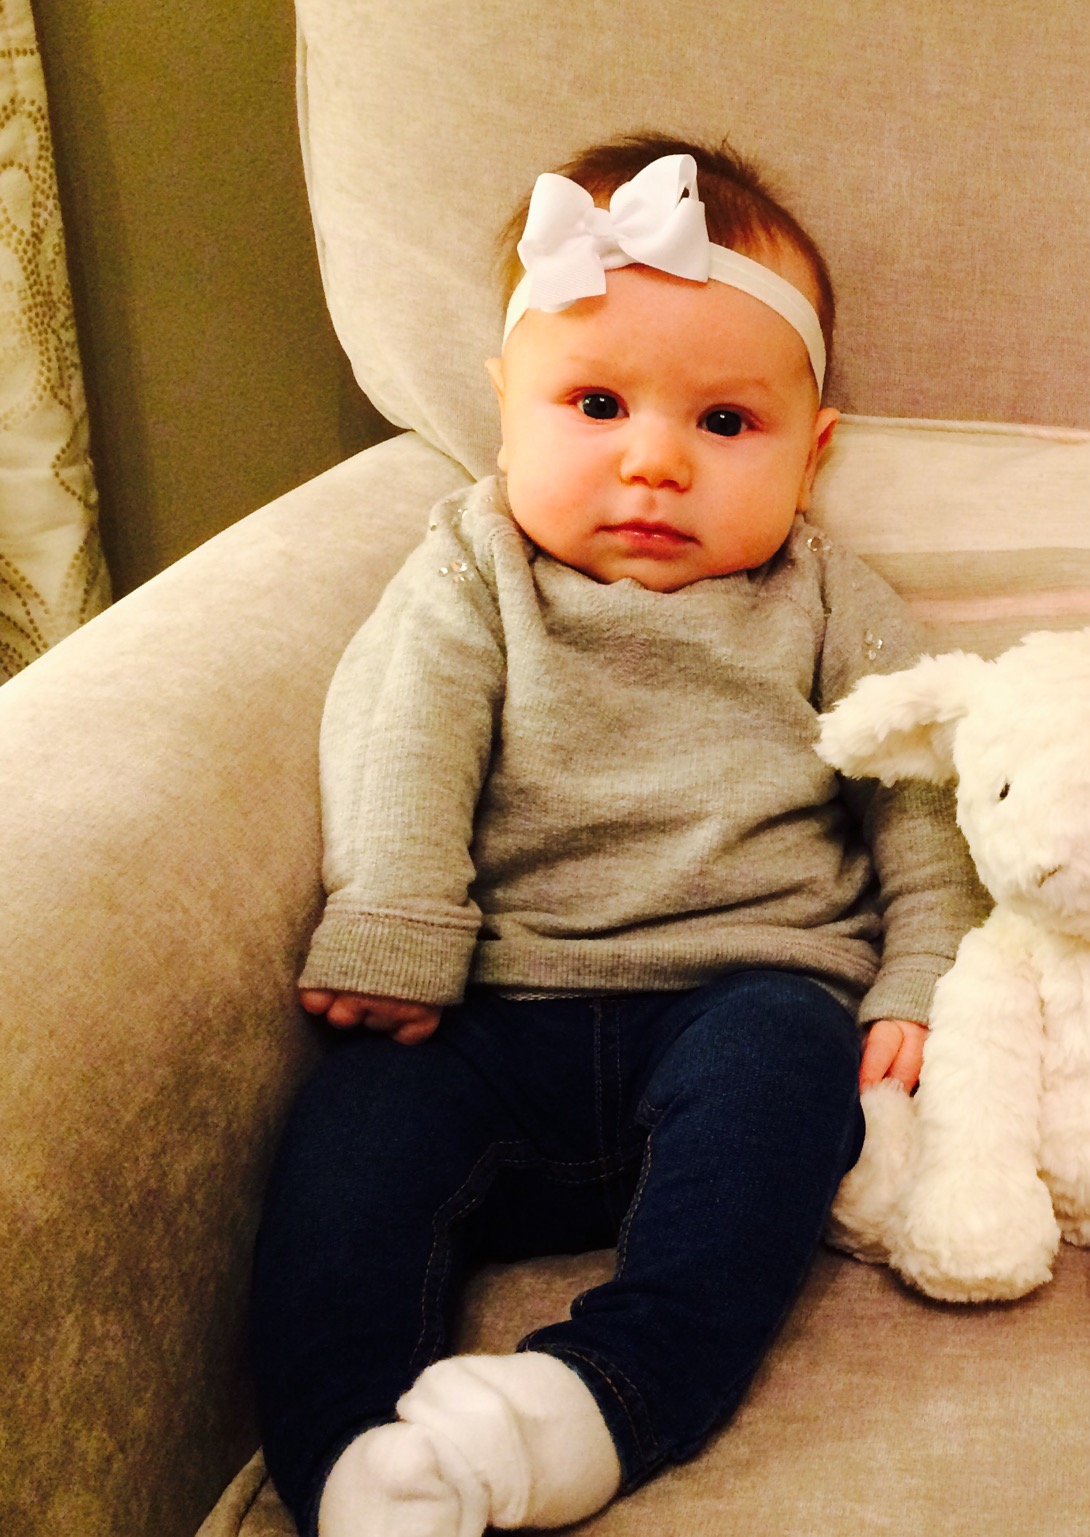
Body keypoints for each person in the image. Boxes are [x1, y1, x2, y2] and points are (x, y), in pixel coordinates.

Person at [250, 133, 984, 1537]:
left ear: (813, 452)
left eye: (726, 423)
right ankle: (351, 1459)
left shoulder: (830, 597)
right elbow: (405, 734)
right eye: (596, 404)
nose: (654, 461)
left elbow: (920, 783)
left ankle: (613, 1394)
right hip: (488, 1010)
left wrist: (925, 968)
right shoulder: (473, 564)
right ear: (506, 413)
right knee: (349, 1141)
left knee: (788, 1071)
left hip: (740, 993)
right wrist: (397, 918)